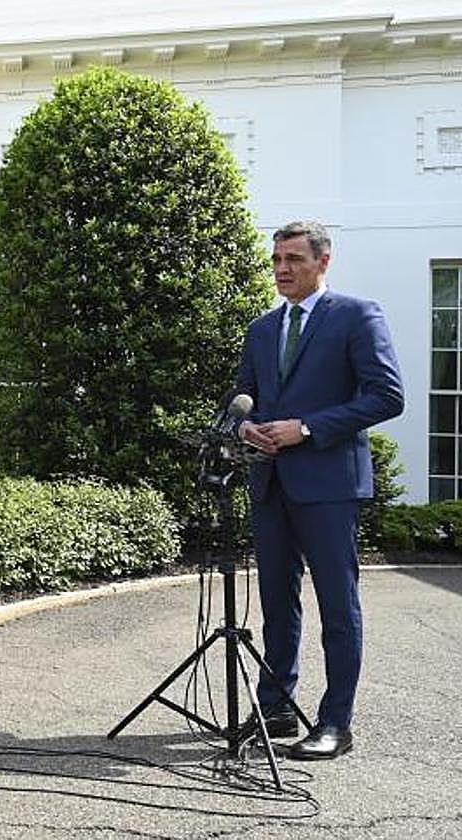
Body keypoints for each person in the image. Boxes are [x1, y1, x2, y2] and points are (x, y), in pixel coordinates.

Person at [235, 220, 404, 760]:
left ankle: (335, 723)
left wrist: (306, 428)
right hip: (270, 483)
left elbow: (387, 396)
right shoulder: (262, 329)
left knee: (337, 605)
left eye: (294, 259)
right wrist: (246, 427)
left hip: (330, 486)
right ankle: (276, 708)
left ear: (323, 261)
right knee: (275, 604)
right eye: (276, 260)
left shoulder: (357, 316)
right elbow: (243, 397)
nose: (282, 269)